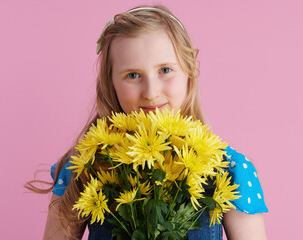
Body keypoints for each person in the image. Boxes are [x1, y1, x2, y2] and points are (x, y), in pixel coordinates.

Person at [25, 5, 268, 240]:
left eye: (165, 70)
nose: (151, 92)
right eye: (133, 75)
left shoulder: (230, 170)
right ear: (111, 83)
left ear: (190, 68)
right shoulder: (81, 169)